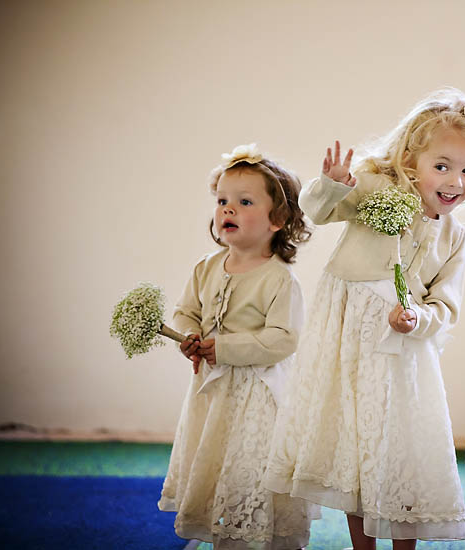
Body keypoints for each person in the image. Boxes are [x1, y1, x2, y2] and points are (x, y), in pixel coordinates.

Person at [266, 89, 465, 549]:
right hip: (348, 345)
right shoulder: (376, 187)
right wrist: (332, 184)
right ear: (411, 159)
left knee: (397, 451)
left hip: (400, 357)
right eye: (442, 166)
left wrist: (417, 317)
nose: (455, 181)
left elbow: (445, 306)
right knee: (356, 452)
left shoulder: (454, 237)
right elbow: (320, 210)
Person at [158, 144, 318, 549]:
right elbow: (185, 312)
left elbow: (284, 339)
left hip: (257, 397)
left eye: (244, 202)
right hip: (212, 391)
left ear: (278, 219)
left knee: (250, 464)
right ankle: (222, 530)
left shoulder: (279, 279)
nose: (228, 209)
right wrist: (188, 337)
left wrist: (225, 348)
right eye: (222, 201)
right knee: (214, 457)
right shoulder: (206, 267)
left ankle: (266, 533)